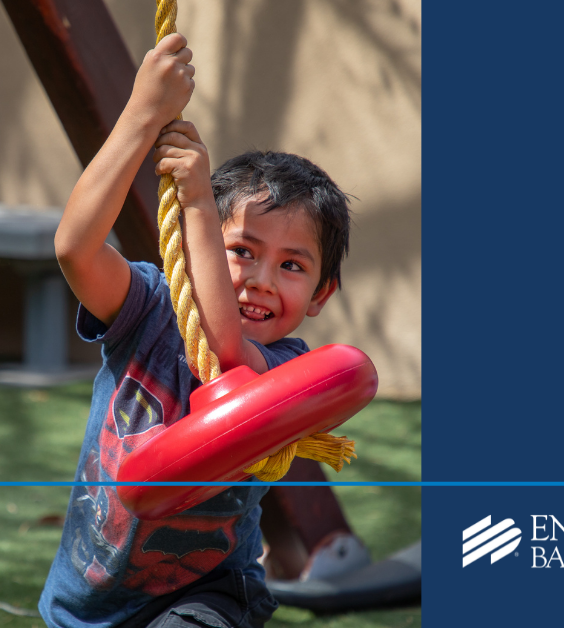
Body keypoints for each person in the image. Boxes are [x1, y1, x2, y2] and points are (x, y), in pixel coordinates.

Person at [39, 32, 352, 628]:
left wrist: (201, 203)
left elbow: (225, 350)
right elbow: (75, 250)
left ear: (321, 294)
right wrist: (142, 114)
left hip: (209, 594)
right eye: (242, 251)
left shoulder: (287, 368)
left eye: (292, 265)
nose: (261, 281)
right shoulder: (148, 307)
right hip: (88, 602)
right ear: (197, 248)